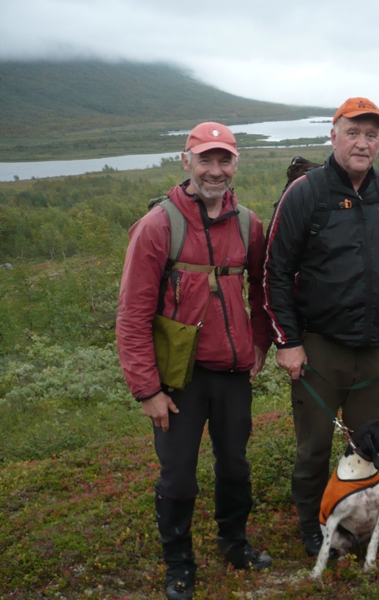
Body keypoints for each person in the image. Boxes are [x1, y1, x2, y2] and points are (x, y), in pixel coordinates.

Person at [263, 97, 379, 557]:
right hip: (320, 348)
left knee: (369, 443)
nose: (362, 142)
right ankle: (312, 522)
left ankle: (367, 515)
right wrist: (288, 341)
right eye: (353, 132)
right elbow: (275, 270)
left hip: (376, 347)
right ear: (333, 136)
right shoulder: (306, 193)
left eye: (371, 134)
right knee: (314, 447)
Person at [117, 122, 272, 600]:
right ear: (186, 162)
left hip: (232, 373)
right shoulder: (157, 226)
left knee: (235, 468)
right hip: (178, 379)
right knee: (179, 476)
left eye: (224, 159)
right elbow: (132, 315)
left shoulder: (249, 224)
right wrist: (147, 390)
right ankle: (179, 562)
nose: (215, 170)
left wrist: (261, 345)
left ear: (236, 163)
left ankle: (234, 543)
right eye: (205, 159)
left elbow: (262, 290)